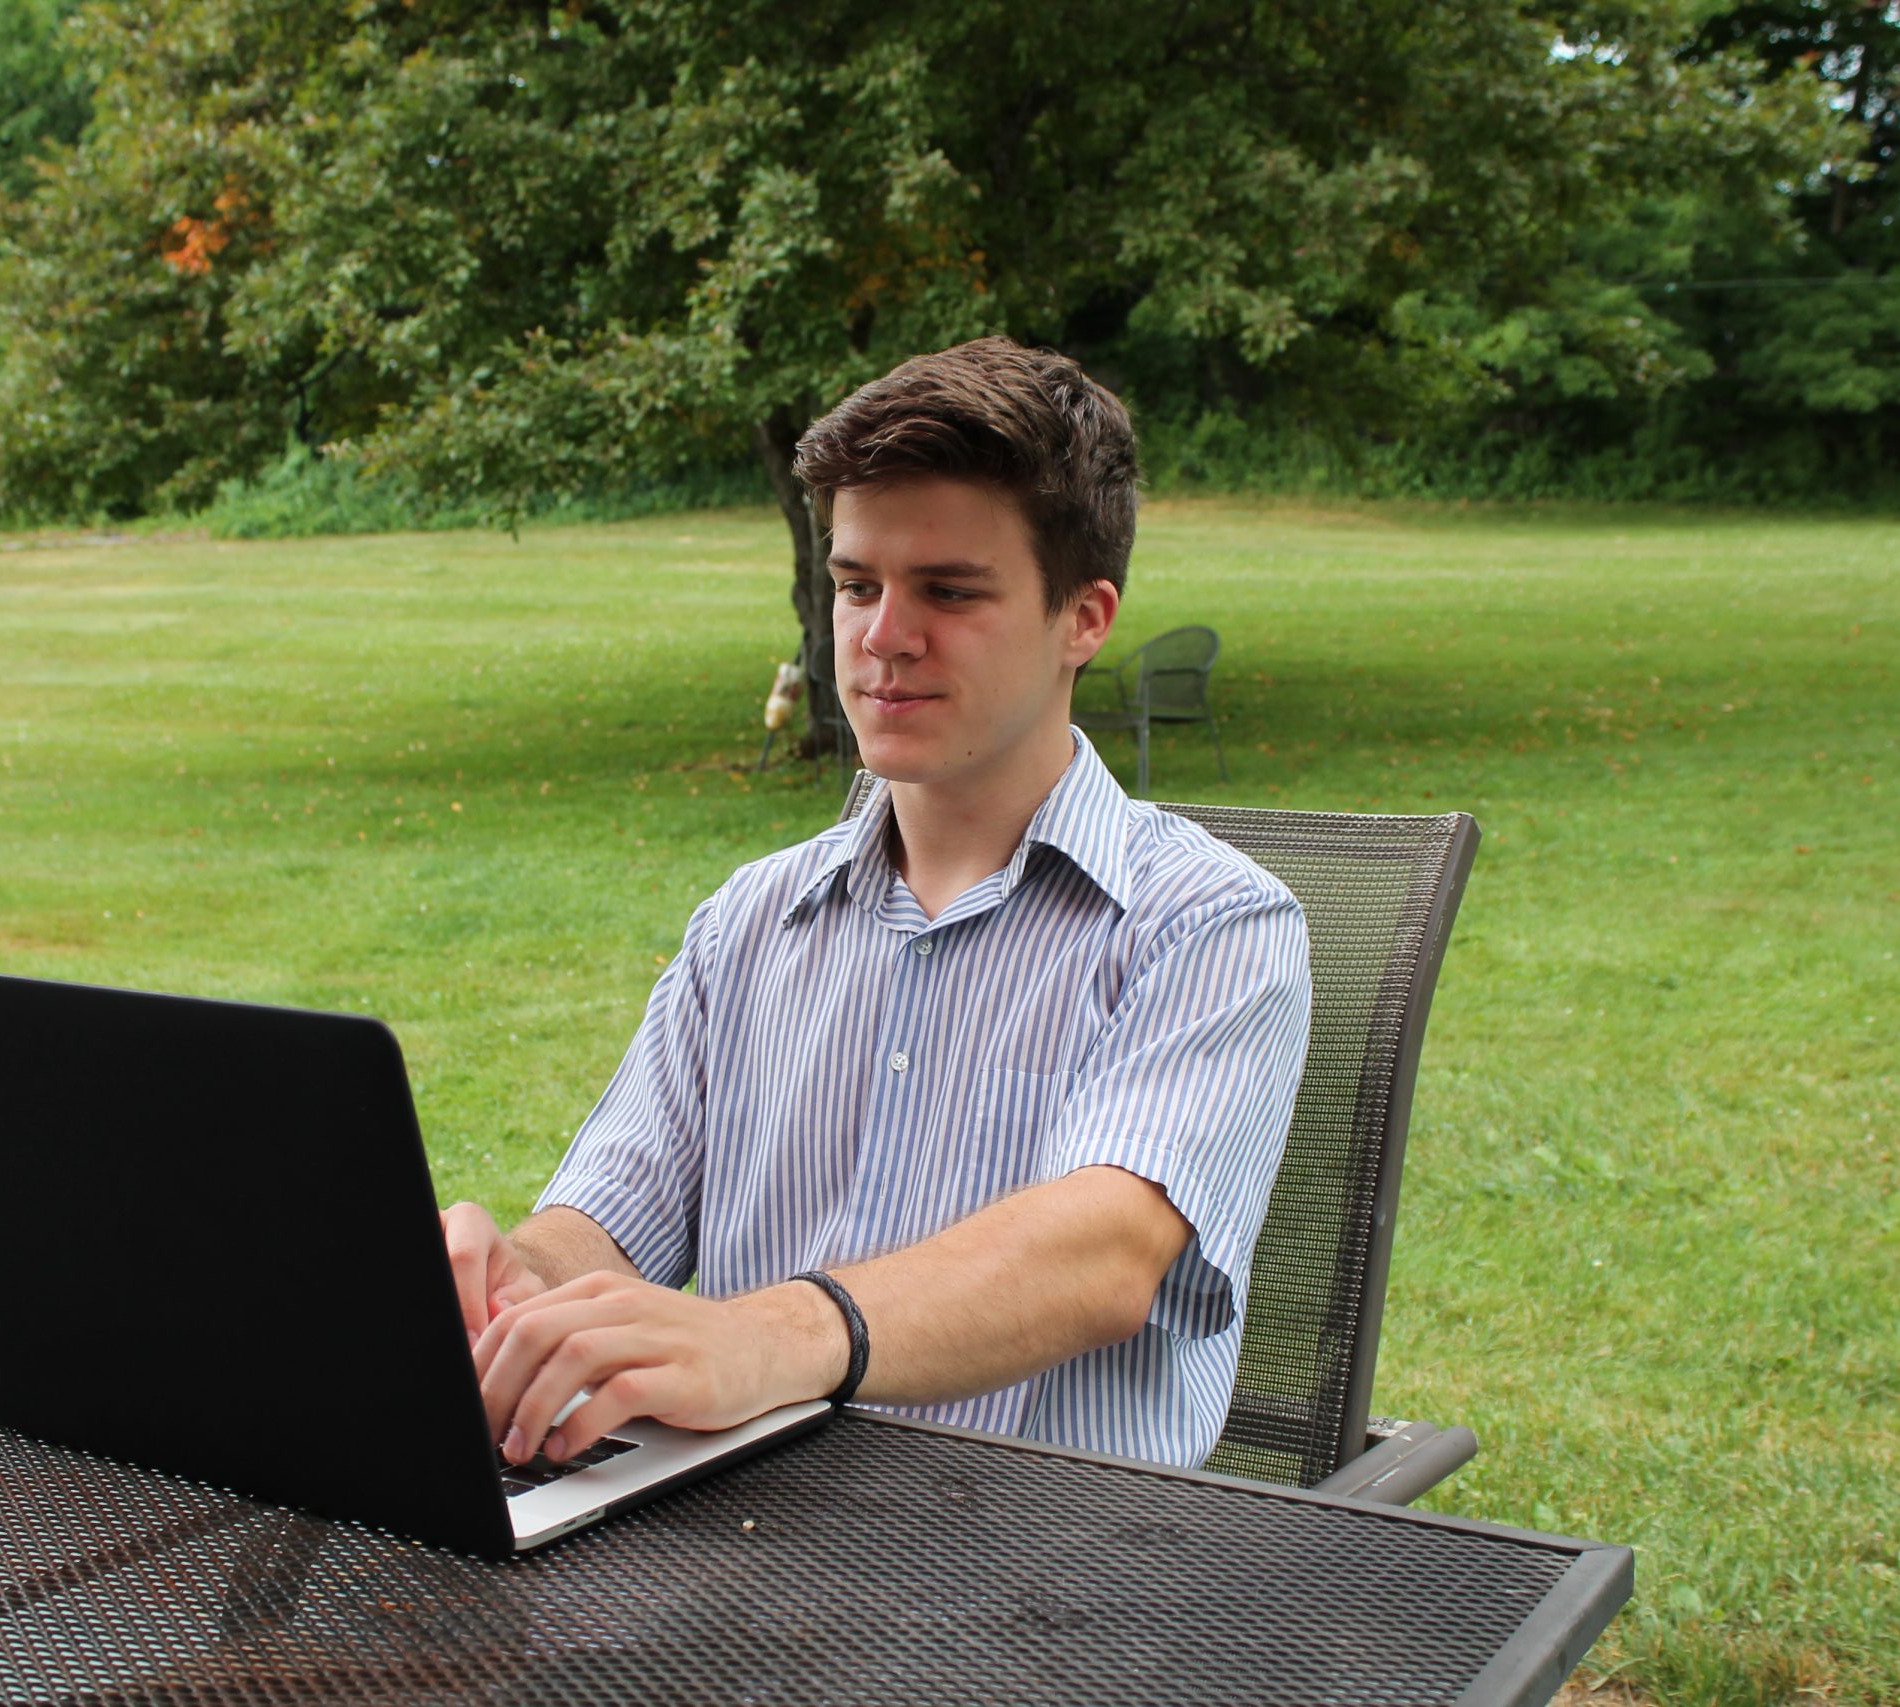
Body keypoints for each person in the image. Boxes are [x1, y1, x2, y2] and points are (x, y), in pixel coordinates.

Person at [443, 337, 1311, 1472]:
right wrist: (519, 1283)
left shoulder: (1209, 925)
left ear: (1085, 619)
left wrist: (770, 1336)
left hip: (1045, 1595)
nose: (880, 637)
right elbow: (608, 1216)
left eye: (948, 591)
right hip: (736, 1554)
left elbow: (1102, 1259)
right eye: (857, 585)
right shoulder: (752, 922)